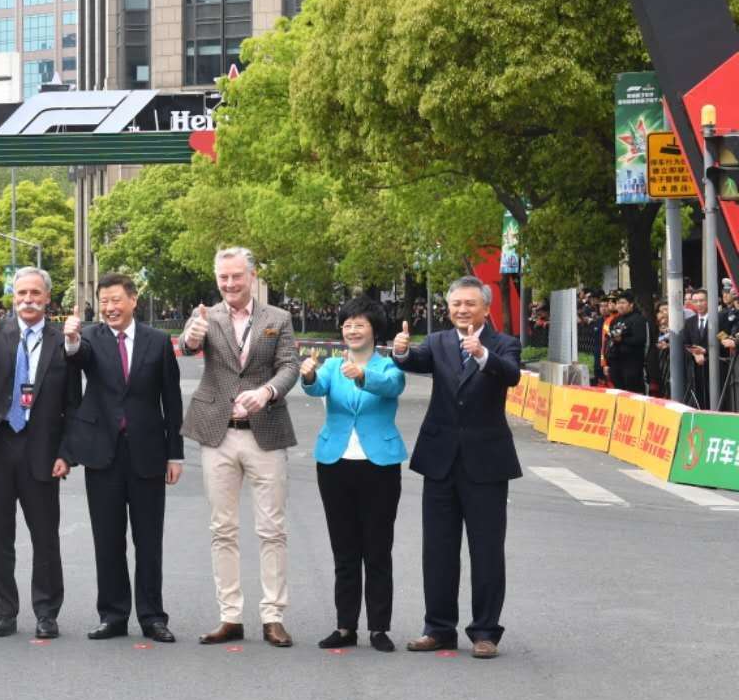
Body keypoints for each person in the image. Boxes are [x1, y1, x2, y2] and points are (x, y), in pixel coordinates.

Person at [391, 276, 522, 659]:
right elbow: (415, 360)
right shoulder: (438, 342)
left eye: (469, 304)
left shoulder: (503, 343)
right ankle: (438, 628)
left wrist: (482, 354)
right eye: (456, 304)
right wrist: (401, 351)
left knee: (487, 551)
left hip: (487, 462)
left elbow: (511, 374)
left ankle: (485, 632)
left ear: (485, 308)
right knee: (438, 550)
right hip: (440, 460)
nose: (462, 310)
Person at [178, 247, 299, 648]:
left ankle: (273, 616)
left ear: (252, 276)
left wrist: (267, 392)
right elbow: (189, 345)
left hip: (266, 432)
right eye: (223, 278)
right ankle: (230, 616)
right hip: (218, 433)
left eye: (236, 276)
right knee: (222, 529)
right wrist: (191, 337)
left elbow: (289, 365)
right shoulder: (205, 317)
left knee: (272, 529)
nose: (229, 284)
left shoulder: (277, 318)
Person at [59, 272, 183, 643]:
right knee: (107, 538)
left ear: (133, 300)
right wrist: (70, 340)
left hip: (147, 452)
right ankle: (112, 615)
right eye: (104, 302)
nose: (110, 308)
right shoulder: (90, 338)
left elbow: (171, 400)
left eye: (116, 300)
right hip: (103, 453)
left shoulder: (157, 341)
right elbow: (77, 357)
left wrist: (175, 455)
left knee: (149, 540)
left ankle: (152, 616)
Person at [0, 266, 76, 640]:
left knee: (45, 536)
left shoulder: (63, 340)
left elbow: (73, 403)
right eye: (21, 294)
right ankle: (4, 612)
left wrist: (67, 453)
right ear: (12, 298)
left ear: (47, 298)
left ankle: (47, 613)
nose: (28, 300)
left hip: (41, 449)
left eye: (35, 293)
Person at [300, 297, 406, 652]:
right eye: (347, 324)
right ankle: (345, 626)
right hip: (335, 462)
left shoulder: (388, 366)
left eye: (360, 324)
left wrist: (363, 375)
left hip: (380, 465)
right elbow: (316, 386)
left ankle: (378, 628)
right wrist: (308, 374)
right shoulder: (332, 365)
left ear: (375, 330)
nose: (352, 330)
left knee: (378, 549)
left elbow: (391, 387)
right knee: (344, 550)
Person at [606, 290, 648, 395]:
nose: (620, 306)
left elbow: (640, 339)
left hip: (632, 363)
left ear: (631, 304)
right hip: (616, 361)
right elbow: (609, 340)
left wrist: (622, 339)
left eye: (623, 303)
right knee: (619, 392)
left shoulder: (638, 319)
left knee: (633, 392)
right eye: (618, 303)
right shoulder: (615, 320)